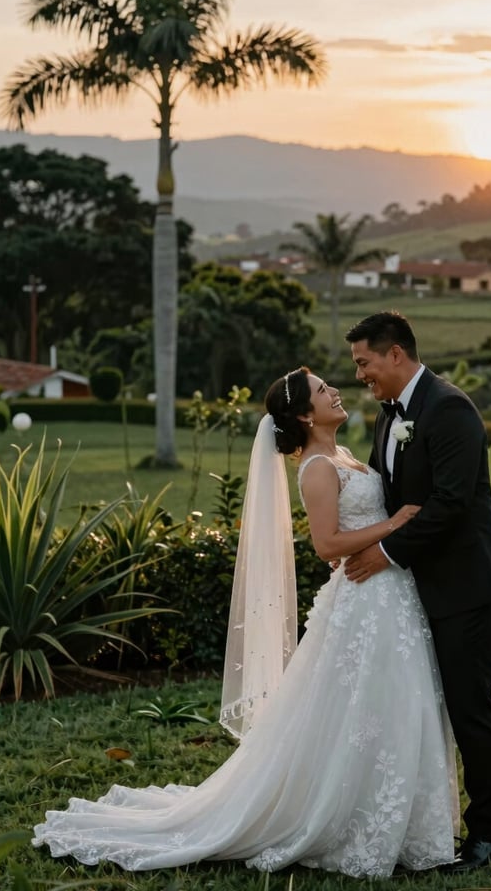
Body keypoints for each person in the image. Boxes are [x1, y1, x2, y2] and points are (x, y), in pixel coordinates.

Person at [32, 367, 458, 878]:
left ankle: (400, 822)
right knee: (363, 708)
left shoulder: (344, 456)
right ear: (304, 414)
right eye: (323, 391)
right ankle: (351, 822)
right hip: (364, 599)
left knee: (390, 704)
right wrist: (395, 523)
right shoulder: (318, 467)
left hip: (386, 596)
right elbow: (325, 546)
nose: (335, 392)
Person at [344, 311, 491, 873]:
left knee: (471, 710)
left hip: (467, 586)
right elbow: (385, 494)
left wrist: (386, 553)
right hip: (420, 589)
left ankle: (489, 835)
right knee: (427, 709)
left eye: (364, 362)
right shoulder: (388, 414)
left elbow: (452, 503)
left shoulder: (449, 409)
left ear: (395, 354)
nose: (360, 375)